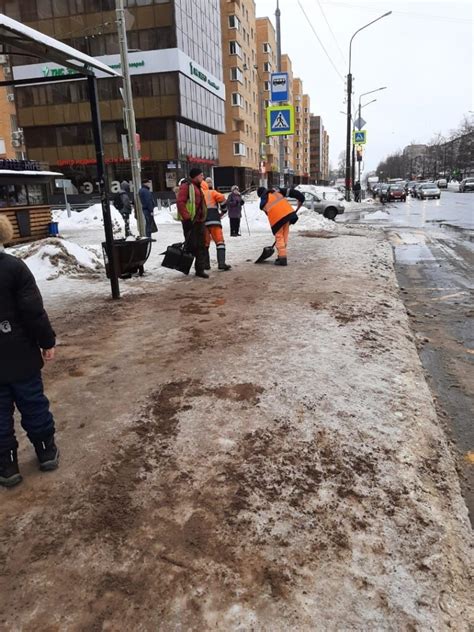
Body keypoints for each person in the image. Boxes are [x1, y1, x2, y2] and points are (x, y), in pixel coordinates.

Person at [0, 216, 59, 487]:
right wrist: (46, 341)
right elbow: (33, 312)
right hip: (21, 353)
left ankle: (7, 464)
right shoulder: (14, 268)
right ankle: (46, 450)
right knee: (33, 403)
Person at [257, 186, 305, 266]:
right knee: (284, 236)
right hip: (287, 213)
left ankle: (282, 258)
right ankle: (281, 255)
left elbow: (269, 213)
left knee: (279, 236)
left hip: (277, 218)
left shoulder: (263, 201)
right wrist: (301, 198)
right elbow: (291, 191)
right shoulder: (276, 191)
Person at [176, 168, 209, 278]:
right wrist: (187, 218)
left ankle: (200, 269)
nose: (203, 177)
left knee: (202, 245)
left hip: (199, 221)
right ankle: (184, 265)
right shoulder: (186, 186)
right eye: (201, 175)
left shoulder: (197, 187)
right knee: (192, 245)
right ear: (195, 176)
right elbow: (180, 202)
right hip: (190, 221)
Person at [203, 177, 231, 271]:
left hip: (203, 222)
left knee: (205, 244)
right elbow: (222, 199)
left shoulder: (198, 194)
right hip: (214, 220)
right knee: (220, 242)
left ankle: (206, 264)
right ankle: (221, 263)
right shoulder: (213, 192)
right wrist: (223, 210)